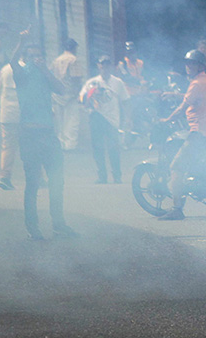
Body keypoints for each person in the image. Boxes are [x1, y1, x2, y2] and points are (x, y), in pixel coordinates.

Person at [9, 29, 76, 241]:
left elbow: (61, 89)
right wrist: (21, 42)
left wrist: (46, 70)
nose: (35, 59)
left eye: (39, 55)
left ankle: (58, 223)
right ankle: (32, 226)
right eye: (31, 56)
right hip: (29, 135)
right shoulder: (21, 74)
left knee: (57, 180)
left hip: (48, 134)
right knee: (33, 182)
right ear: (25, 58)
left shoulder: (44, 74)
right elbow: (12, 62)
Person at [158, 49, 206, 220]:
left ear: (199, 65)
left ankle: (177, 208)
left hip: (200, 132)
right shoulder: (205, 80)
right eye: (187, 63)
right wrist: (174, 94)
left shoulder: (196, 83)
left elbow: (183, 107)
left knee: (176, 166)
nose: (188, 66)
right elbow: (192, 97)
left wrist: (167, 120)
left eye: (191, 63)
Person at [80, 55, 130, 184]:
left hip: (112, 119)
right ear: (99, 66)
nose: (104, 67)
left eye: (107, 65)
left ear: (111, 67)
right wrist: (91, 96)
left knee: (114, 148)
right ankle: (102, 176)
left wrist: (128, 119)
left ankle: (117, 176)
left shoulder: (117, 82)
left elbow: (125, 101)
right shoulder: (92, 82)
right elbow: (81, 98)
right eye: (102, 65)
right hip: (96, 116)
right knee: (98, 148)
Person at [50, 39, 83, 151]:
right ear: (73, 48)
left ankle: (60, 144)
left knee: (59, 122)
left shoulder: (56, 60)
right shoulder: (73, 60)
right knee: (71, 121)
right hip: (70, 95)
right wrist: (79, 92)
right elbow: (76, 78)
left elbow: (51, 76)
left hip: (57, 94)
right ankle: (70, 145)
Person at [0, 59, 20, 190]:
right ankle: (38, 177)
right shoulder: (27, 69)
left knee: (8, 147)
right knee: (32, 146)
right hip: (24, 114)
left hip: (6, 114)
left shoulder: (5, 69)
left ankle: (4, 176)